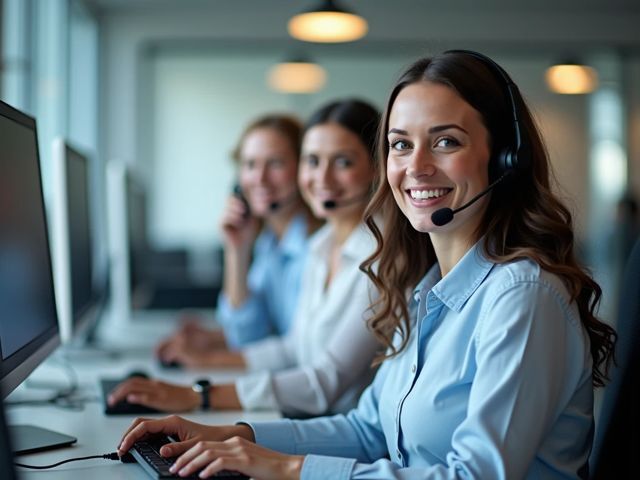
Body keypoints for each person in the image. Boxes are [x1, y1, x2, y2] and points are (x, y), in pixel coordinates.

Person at [117, 51, 617, 479]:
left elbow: (474, 475)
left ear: (505, 158)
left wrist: (286, 468)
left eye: (446, 141)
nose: (415, 167)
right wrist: (233, 434)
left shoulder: (521, 296)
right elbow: (367, 428)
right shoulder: (428, 289)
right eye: (400, 144)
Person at [109, 99, 382, 416]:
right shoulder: (319, 246)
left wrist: (200, 392)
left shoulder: (377, 258)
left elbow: (319, 376)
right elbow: (292, 346)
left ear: (377, 166)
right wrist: (236, 250)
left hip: (335, 423)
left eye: (343, 162)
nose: (323, 178)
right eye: (314, 161)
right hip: (308, 412)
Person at [156, 114, 319, 361]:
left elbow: (302, 353)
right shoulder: (270, 243)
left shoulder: (316, 246)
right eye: (250, 164)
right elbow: (248, 335)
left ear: (302, 169)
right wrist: (237, 250)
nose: (260, 179)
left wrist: (208, 360)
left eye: (275, 164)